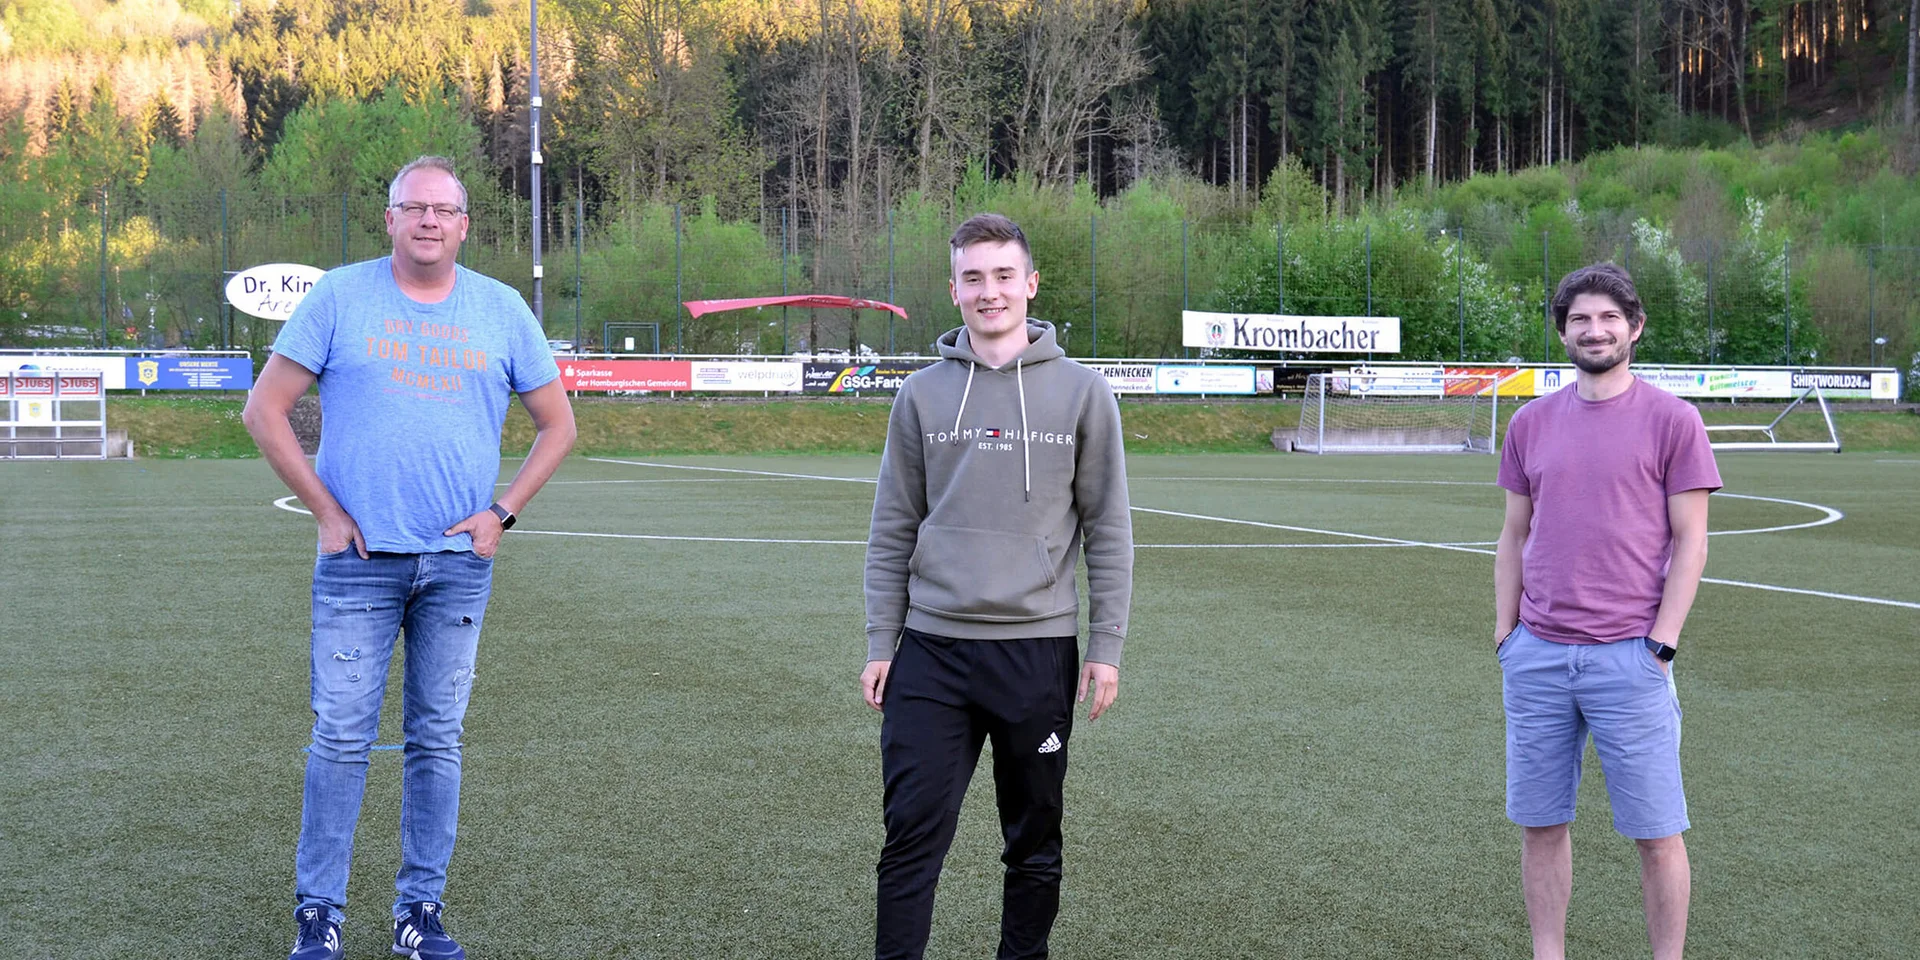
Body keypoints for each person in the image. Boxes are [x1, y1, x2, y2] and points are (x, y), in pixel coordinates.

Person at [243, 155, 577, 960]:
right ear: (389, 219)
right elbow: (265, 409)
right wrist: (325, 511)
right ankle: (318, 915)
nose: (428, 220)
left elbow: (558, 425)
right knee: (341, 738)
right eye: (413, 207)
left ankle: (417, 913)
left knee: (437, 739)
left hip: (457, 565)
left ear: (465, 225)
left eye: (444, 210)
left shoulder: (499, 310)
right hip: (359, 563)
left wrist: (501, 513)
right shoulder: (339, 297)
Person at [860, 212, 1134, 960]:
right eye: (974, 278)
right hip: (931, 653)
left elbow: (1108, 527)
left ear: (1031, 284)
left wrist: (1105, 647)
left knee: (1034, 841)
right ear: (954, 291)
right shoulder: (919, 395)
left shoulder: (1083, 394)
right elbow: (893, 527)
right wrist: (882, 641)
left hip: (1037, 652)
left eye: (1004, 276)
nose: (990, 292)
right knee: (911, 836)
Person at [1493, 263, 1720, 960]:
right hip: (1538, 656)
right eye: (1581, 319)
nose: (1596, 330)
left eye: (1610, 318)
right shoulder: (1529, 422)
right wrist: (1507, 634)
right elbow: (1513, 532)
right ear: (1563, 332)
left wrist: (1662, 644)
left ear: (1635, 327)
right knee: (1541, 824)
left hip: (1631, 658)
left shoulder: (1673, 420)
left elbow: (1692, 540)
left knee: (1656, 832)